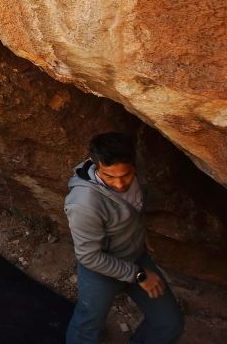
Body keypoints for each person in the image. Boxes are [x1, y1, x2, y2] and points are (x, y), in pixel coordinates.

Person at [65, 132, 184, 344]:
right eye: (109, 177)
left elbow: (132, 209)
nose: (120, 184)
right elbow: (89, 257)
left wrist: (139, 232)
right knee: (86, 329)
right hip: (101, 272)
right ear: (95, 165)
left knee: (169, 323)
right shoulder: (83, 203)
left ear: (134, 165)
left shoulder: (132, 176)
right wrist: (139, 275)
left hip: (135, 256)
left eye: (126, 175)